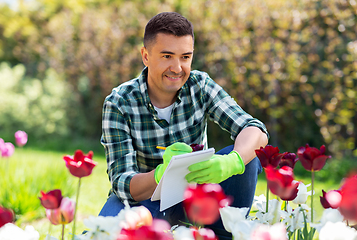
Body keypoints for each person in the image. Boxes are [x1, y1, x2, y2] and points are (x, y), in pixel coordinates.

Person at [99, 12, 269, 239]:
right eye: (167, 56)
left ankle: (223, 234)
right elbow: (122, 182)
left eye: (185, 57)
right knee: (100, 233)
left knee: (248, 158)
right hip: (146, 203)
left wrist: (233, 161)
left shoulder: (200, 86)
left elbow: (255, 129)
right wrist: (162, 175)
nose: (177, 68)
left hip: (198, 200)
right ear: (146, 56)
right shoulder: (119, 102)